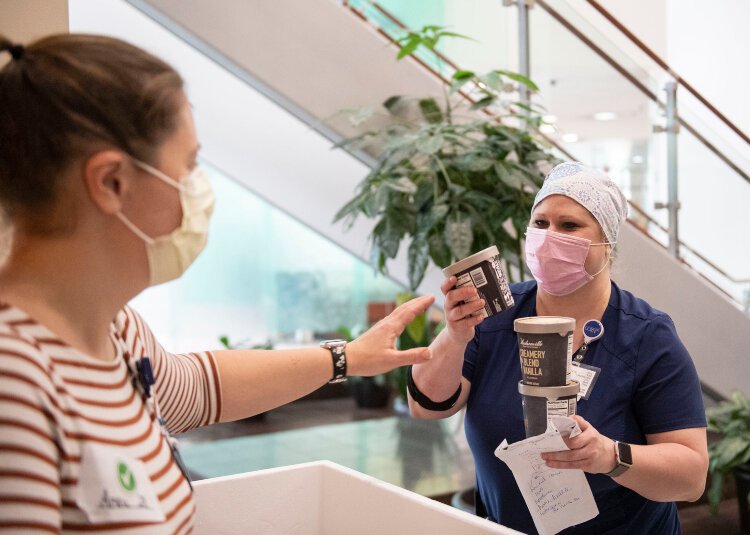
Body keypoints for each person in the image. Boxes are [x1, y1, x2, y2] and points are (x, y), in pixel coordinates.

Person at [0, 34, 436, 533]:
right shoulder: (15, 380)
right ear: (110, 183)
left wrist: (349, 358)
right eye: (188, 166)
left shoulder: (116, 330)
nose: (198, 190)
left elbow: (200, 388)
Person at [409, 162, 708, 534]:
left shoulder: (646, 336)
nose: (550, 237)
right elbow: (426, 406)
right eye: (540, 223)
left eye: (569, 226)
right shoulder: (494, 314)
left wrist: (610, 456)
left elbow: (691, 477)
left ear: (607, 243)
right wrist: (455, 336)